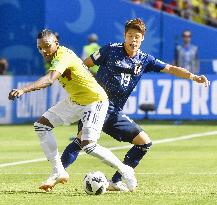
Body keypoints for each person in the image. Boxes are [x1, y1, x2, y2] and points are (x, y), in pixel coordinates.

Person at [61, 18, 209, 192]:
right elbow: (83, 65)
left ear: (142, 39)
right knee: (81, 141)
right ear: (125, 36)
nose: (133, 40)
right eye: (130, 36)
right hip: (96, 105)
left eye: (137, 37)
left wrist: (193, 77)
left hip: (114, 111)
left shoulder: (145, 59)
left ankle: (115, 182)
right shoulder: (110, 50)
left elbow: (170, 68)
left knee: (144, 143)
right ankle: (58, 172)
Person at [8, 29, 137, 192]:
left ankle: (125, 170)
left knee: (88, 145)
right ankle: (58, 171)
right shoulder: (55, 56)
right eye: (40, 48)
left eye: (47, 46)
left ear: (56, 44)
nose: (43, 51)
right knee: (41, 126)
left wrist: (23, 90)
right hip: (76, 100)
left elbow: (49, 80)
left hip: (94, 101)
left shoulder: (62, 55)